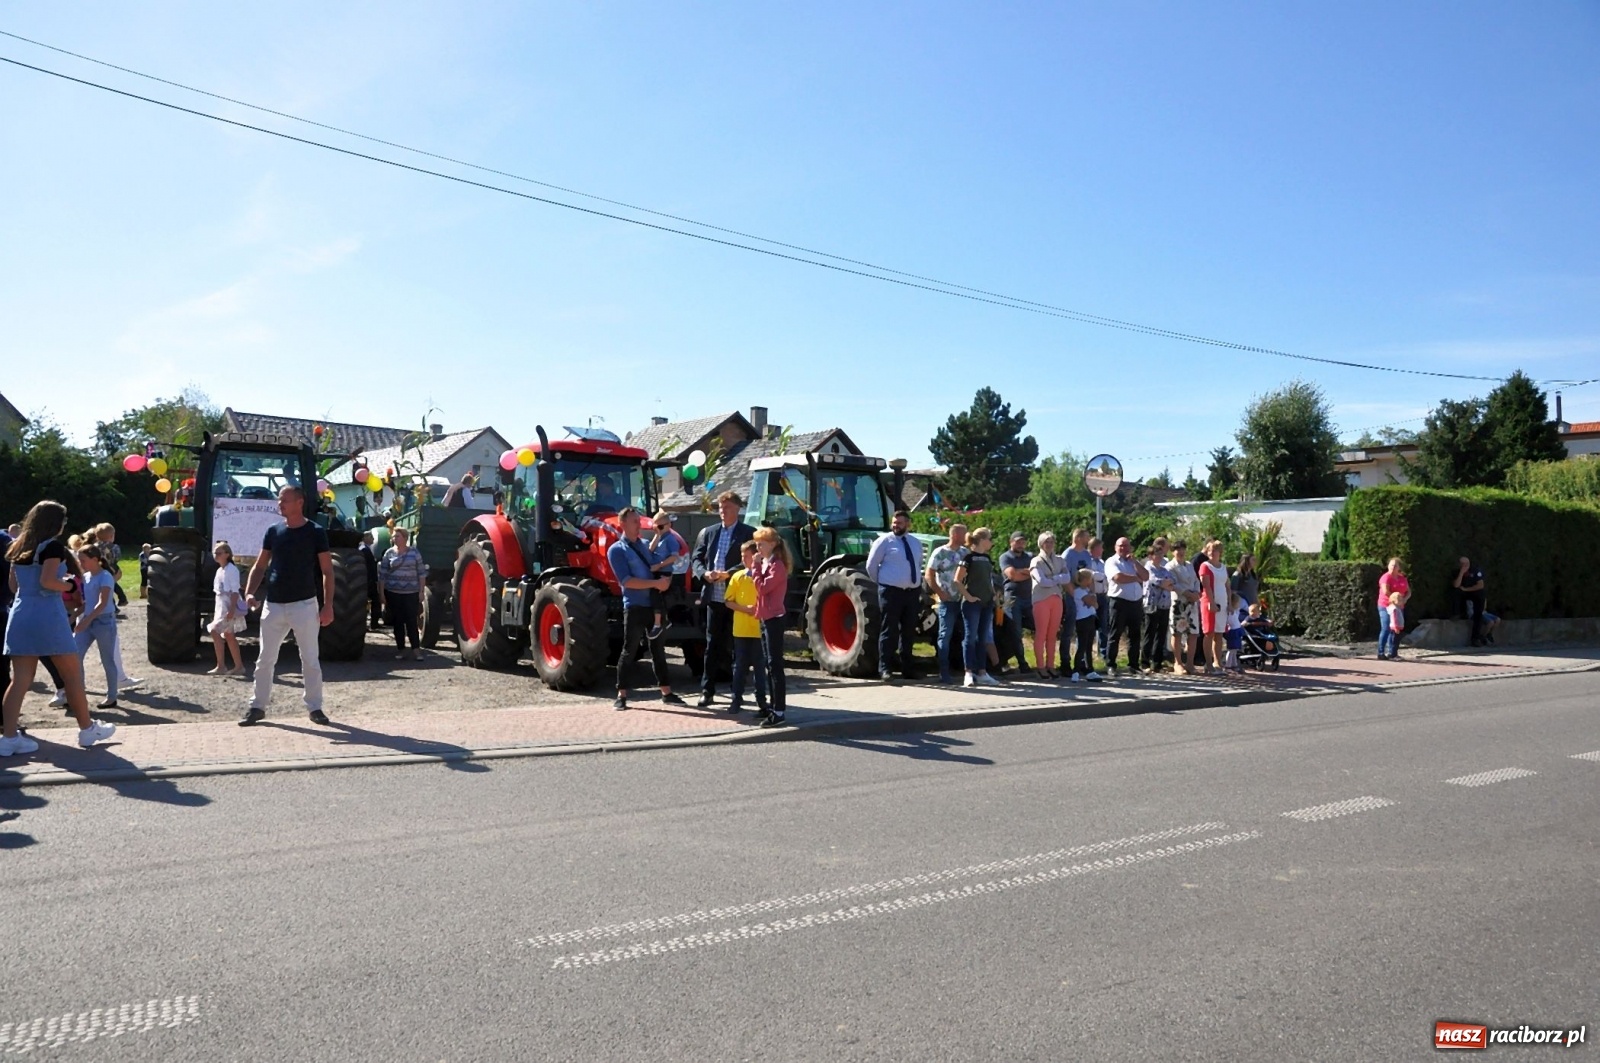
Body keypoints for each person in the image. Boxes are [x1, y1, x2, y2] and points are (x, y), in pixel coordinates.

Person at [1, 501, 118, 755]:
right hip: (48, 615)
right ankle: (87, 729)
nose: (64, 525)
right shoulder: (51, 546)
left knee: (20, 679)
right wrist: (70, 586)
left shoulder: (18, 545)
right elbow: (47, 581)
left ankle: (8, 737)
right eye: (63, 521)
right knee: (71, 675)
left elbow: (14, 587)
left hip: (21, 613)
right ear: (54, 522)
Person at [240, 485, 335, 727]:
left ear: (299, 502)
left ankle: (315, 708)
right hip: (274, 605)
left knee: (310, 659)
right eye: (279, 500)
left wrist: (328, 606)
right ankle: (257, 707)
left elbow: (327, 571)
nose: (279, 504)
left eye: (284, 500)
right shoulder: (274, 531)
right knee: (264, 659)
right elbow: (260, 566)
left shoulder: (315, 532)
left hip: (304, 605)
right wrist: (249, 592)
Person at [608, 506, 685, 711]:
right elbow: (626, 581)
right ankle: (621, 694)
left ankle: (666, 692)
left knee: (658, 649)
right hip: (634, 606)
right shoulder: (616, 550)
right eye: (634, 521)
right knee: (629, 650)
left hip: (654, 605)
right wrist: (655, 585)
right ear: (623, 524)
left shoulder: (645, 544)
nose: (638, 524)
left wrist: (665, 578)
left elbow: (658, 565)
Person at [690, 492, 755, 706]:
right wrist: (703, 574)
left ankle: (737, 691)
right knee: (712, 645)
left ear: (737, 509)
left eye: (726, 507)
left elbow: (751, 562)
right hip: (714, 598)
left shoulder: (748, 533)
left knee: (738, 646)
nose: (722, 511)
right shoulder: (709, 533)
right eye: (720, 507)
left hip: (736, 599)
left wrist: (729, 574)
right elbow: (696, 558)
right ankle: (707, 690)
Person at [865, 508, 925, 682]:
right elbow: (871, 566)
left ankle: (908, 669)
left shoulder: (915, 542)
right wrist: (884, 583)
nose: (895, 525)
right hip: (891, 592)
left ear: (908, 524)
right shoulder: (884, 541)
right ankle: (885, 669)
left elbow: (918, 563)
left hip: (911, 593)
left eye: (899, 523)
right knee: (889, 630)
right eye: (894, 522)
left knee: (908, 631)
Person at [749, 527, 791, 726]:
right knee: (768, 664)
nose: (758, 547)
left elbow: (763, 588)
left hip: (774, 618)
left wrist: (755, 568)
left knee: (775, 665)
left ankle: (779, 710)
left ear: (773, 544)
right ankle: (772, 706)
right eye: (757, 543)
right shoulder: (767, 563)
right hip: (765, 618)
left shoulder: (778, 565)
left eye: (761, 543)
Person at [72, 543, 121, 709]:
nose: (80, 563)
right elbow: (88, 603)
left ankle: (112, 697)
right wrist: (74, 616)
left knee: (107, 660)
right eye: (79, 560)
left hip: (104, 622)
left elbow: (102, 603)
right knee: (75, 656)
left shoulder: (105, 576)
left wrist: (86, 620)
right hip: (88, 620)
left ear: (95, 559)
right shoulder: (86, 577)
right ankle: (79, 694)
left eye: (83, 560)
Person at [723, 541, 768, 717]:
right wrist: (746, 609)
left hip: (758, 630)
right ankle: (736, 699)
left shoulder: (762, 575)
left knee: (759, 667)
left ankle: (762, 702)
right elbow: (728, 601)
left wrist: (757, 609)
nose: (743, 559)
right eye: (742, 556)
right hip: (741, 630)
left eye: (746, 555)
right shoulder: (738, 577)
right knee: (739, 666)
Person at [93, 523, 141, 689]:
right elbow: (116, 561)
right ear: (112, 536)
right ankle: (119, 677)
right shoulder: (114, 548)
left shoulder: (92, 548)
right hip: (110, 571)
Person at [954, 527, 1001, 688]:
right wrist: (968, 597)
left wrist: (994, 595)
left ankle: (982, 672)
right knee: (970, 637)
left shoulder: (987, 559)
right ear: (982, 540)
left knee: (983, 638)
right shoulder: (968, 558)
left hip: (987, 603)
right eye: (989, 539)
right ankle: (968, 672)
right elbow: (957, 580)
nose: (991, 542)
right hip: (972, 604)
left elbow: (988, 579)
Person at [924, 523, 969, 684]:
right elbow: (929, 574)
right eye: (964, 533)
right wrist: (940, 593)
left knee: (967, 634)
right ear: (956, 535)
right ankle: (944, 671)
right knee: (945, 635)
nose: (967, 537)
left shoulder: (966, 553)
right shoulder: (940, 552)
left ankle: (969, 671)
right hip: (947, 600)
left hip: (964, 600)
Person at [1102, 537, 1149, 677]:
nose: (1124, 548)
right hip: (1119, 602)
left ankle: (1134, 665)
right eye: (1121, 546)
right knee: (1115, 634)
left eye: (1126, 546)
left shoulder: (1133, 562)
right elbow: (1118, 578)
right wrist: (1135, 578)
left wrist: (1135, 562)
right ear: (1116, 547)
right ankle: (1111, 665)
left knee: (1134, 635)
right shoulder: (1111, 561)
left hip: (1135, 602)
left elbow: (1146, 576)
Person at [380, 526, 428, 660]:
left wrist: (421, 591)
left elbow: (421, 573)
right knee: (398, 622)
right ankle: (401, 649)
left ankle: (416, 650)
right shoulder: (389, 553)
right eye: (394, 536)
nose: (395, 539)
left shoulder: (414, 553)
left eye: (398, 536)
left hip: (411, 592)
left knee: (411, 621)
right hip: (393, 592)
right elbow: (382, 575)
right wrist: (381, 594)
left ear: (405, 538)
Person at [1029, 533, 1069, 679]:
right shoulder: (1036, 561)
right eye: (1046, 542)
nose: (1049, 544)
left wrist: (1054, 578)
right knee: (1041, 633)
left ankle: (1050, 665)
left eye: (1052, 541)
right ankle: (1040, 666)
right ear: (1041, 543)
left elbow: (1067, 577)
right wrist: (1057, 579)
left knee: (1052, 634)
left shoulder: (1059, 560)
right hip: (1041, 599)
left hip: (1056, 598)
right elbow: (1041, 581)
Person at [646, 510, 690, 640]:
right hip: (658, 570)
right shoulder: (661, 537)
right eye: (655, 526)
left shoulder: (670, 539)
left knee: (656, 594)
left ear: (668, 525)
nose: (657, 529)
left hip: (664, 571)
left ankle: (659, 623)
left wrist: (659, 565)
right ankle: (662, 620)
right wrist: (657, 535)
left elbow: (674, 556)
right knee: (655, 595)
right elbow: (650, 550)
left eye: (660, 527)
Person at [206, 541, 246, 676]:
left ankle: (221, 665)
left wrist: (232, 610)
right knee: (229, 635)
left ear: (227, 554)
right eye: (215, 553)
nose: (216, 555)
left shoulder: (232, 570)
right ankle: (238, 666)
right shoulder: (220, 570)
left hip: (228, 606)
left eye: (219, 553)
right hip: (221, 606)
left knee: (214, 630)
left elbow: (235, 592)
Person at [996, 531, 1033, 675]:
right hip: (1011, 599)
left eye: (1023, 542)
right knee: (1014, 632)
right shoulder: (1005, 557)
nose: (1020, 544)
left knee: (1038, 627)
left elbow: (1038, 572)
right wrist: (1028, 572)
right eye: (1017, 541)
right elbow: (1012, 576)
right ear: (1011, 542)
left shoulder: (1030, 556)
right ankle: (1022, 663)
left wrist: (1021, 572)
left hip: (1029, 597)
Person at [1167, 540, 1202, 675]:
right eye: (1177, 550)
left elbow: (1195, 580)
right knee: (1177, 632)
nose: (1180, 552)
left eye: (1182, 549)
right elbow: (1173, 583)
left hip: (1192, 603)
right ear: (1173, 552)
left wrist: (1196, 593)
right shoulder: (1170, 566)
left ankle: (1190, 663)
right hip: (1179, 603)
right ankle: (1178, 663)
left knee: (1193, 633)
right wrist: (1187, 593)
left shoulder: (1189, 565)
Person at [1141, 538, 1174, 673]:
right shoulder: (1148, 568)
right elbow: (1156, 581)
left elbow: (1172, 582)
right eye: (1157, 555)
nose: (1160, 557)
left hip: (1164, 605)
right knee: (1150, 633)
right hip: (1152, 604)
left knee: (1161, 635)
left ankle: (1157, 662)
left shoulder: (1164, 569)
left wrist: (1166, 583)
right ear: (1151, 556)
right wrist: (1165, 583)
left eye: (1161, 555)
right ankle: (1144, 662)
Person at [1199, 540, 1230, 674]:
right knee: (1209, 633)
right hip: (1210, 602)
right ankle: (1208, 664)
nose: (1212, 552)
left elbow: (1227, 586)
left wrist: (1229, 603)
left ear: (1220, 552)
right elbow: (1206, 586)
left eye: (1214, 550)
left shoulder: (1223, 567)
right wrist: (1211, 602)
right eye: (1209, 549)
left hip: (1222, 603)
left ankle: (1218, 662)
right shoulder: (1205, 566)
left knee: (1219, 634)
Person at [1068, 568, 1102, 681]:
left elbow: (1096, 605)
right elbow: (1091, 602)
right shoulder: (1079, 591)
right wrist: (1093, 598)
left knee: (1089, 646)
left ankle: (1090, 669)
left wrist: (1093, 598)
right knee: (1082, 645)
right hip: (1083, 619)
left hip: (1091, 618)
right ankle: (1076, 671)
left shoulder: (1087, 590)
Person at [1376, 557, 1410, 661]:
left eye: (1395, 565)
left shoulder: (1402, 578)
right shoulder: (1385, 577)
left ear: (1399, 567)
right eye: (1391, 565)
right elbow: (1386, 591)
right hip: (1386, 606)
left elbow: (1408, 591)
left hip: (1399, 607)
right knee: (1386, 628)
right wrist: (1395, 599)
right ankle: (1381, 652)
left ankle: (1393, 653)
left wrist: (1404, 599)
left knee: (1396, 629)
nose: (1393, 567)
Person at [93, 524, 129, 615]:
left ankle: (115, 605)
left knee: (105, 587)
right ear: (111, 536)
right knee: (112, 584)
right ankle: (122, 598)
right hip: (112, 567)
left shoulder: (94, 547)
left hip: (100, 568)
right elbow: (118, 557)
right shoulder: (114, 547)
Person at [1453, 556, 1488, 646]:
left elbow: (1480, 585)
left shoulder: (1475, 570)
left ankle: (1475, 638)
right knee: (1457, 591)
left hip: (1475, 592)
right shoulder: (1457, 571)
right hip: (1464, 592)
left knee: (1478, 615)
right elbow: (1456, 585)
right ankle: (1457, 613)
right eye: (1463, 564)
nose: (1465, 566)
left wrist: (1466, 589)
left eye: (1467, 564)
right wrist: (1461, 573)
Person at [1087, 537, 1110, 658]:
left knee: (1103, 626)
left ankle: (1103, 653)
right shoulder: (1087, 560)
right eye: (1100, 547)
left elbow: (1106, 577)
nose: (1102, 550)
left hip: (1102, 595)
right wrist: (1101, 576)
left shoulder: (1102, 562)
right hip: (1092, 596)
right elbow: (1091, 575)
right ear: (1094, 548)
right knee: (1089, 625)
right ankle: (1086, 654)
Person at [360, 532, 382, 630]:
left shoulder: (367, 549)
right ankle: (373, 623)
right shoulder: (364, 550)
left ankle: (373, 623)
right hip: (368, 580)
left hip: (369, 580)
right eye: (371, 537)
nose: (373, 539)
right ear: (365, 538)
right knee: (375, 601)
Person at [1223, 592, 1246, 672]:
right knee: (1231, 649)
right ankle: (1228, 665)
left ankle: (1234, 664)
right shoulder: (1230, 612)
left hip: (1237, 630)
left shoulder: (1236, 611)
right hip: (1233, 631)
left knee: (1234, 650)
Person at [1385, 590, 1406, 657]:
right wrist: (1396, 627)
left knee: (1395, 640)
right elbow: (1394, 619)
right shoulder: (1394, 608)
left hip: (1396, 627)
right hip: (1395, 627)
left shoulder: (1397, 608)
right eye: (1399, 600)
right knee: (1394, 641)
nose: (1401, 602)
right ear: (1394, 600)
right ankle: (1392, 654)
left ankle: (1393, 653)